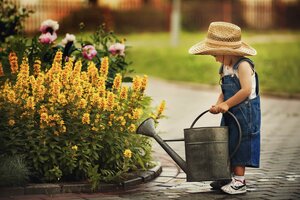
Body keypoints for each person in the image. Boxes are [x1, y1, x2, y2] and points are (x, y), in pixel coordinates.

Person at [188, 21, 261, 195]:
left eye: (215, 54)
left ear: (228, 51)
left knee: (241, 142)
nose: (214, 58)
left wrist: (227, 104)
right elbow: (224, 90)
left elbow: (246, 90)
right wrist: (219, 103)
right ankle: (226, 176)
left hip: (246, 112)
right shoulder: (225, 67)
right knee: (226, 142)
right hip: (230, 111)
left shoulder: (243, 65)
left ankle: (239, 182)